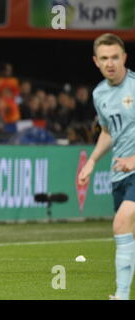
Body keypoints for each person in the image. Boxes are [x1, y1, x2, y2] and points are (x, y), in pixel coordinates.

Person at [78, 33, 135, 300]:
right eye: (104, 58)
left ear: (124, 57)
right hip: (118, 173)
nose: (110, 63)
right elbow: (108, 132)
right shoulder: (99, 93)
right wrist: (91, 162)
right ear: (95, 61)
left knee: (121, 222)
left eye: (115, 57)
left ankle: (121, 296)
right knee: (127, 232)